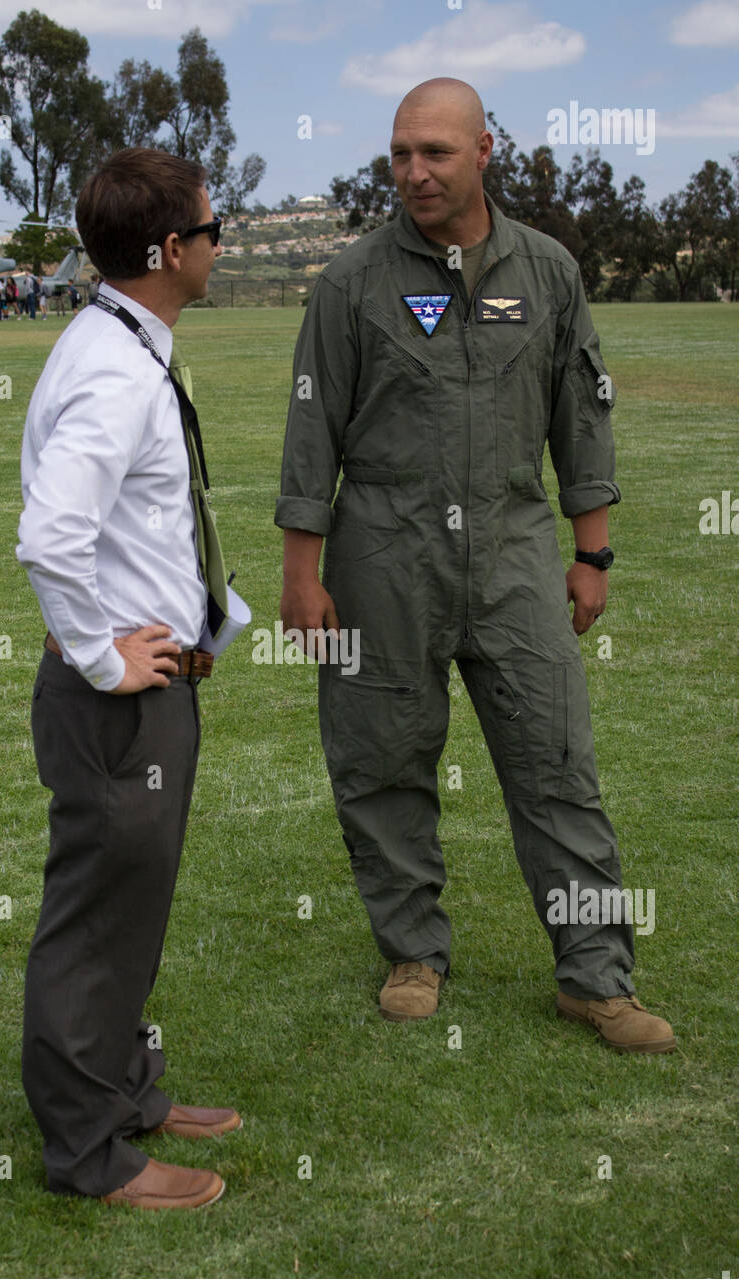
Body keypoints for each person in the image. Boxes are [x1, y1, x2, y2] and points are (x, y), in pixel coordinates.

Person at [276, 77, 675, 1054]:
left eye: (434, 153)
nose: (413, 171)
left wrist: (591, 555)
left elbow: (580, 419)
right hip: (381, 559)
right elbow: (309, 433)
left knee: (557, 762)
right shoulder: (348, 285)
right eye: (399, 152)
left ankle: (594, 977)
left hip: (510, 557)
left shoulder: (545, 273)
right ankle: (411, 952)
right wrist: (302, 571)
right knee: (381, 760)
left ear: (482, 149)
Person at [16, 146, 238, 1211]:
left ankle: (126, 1094)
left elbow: (137, 529)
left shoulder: (120, 342)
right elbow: (50, 536)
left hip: (147, 692)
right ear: (167, 251)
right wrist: (107, 657)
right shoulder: (112, 368)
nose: (216, 245)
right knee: (98, 916)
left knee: (130, 907)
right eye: (209, 230)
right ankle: (90, 1151)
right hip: (117, 705)